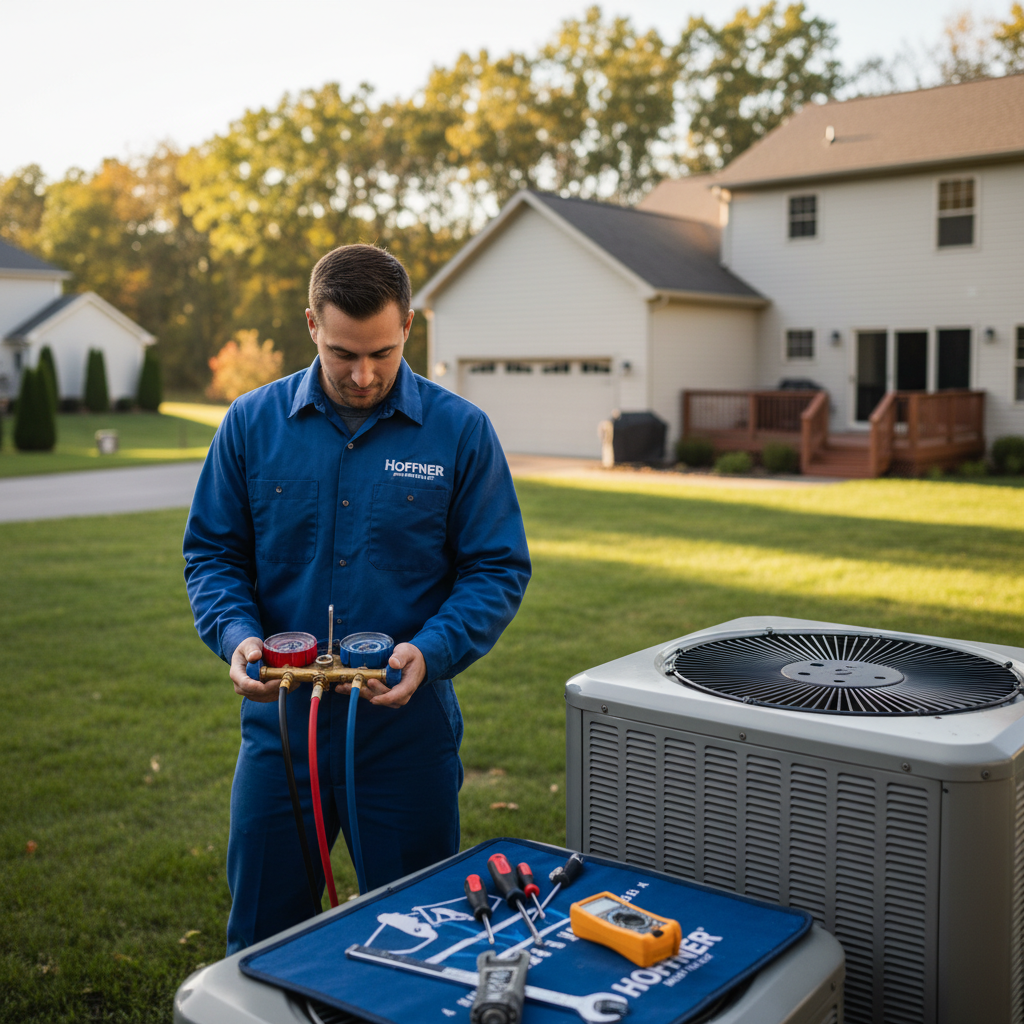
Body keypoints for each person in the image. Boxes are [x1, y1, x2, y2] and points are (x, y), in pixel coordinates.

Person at [183, 244, 531, 954]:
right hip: (281, 734)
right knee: (260, 937)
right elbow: (213, 554)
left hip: (407, 735)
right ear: (311, 323)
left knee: (427, 941)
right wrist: (235, 634)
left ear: (409, 324)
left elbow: (496, 568)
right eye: (344, 353)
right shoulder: (250, 425)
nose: (365, 374)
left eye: (384, 352)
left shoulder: (461, 431)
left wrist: (430, 650)